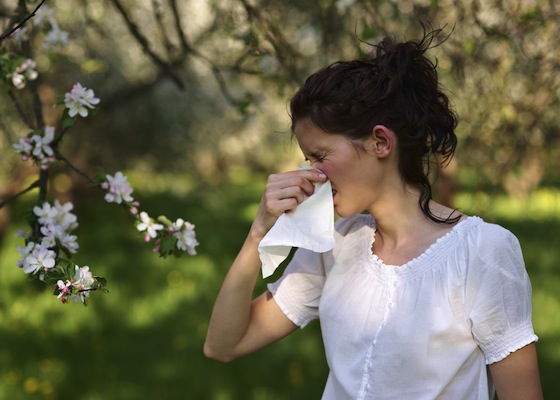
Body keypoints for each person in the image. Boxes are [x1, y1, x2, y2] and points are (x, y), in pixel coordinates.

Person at [204, 27, 543, 399]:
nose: (309, 174)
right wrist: (259, 233)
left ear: (380, 141)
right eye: (307, 159)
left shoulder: (481, 251)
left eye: (320, 156)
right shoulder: (335, 243)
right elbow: (223, 345)